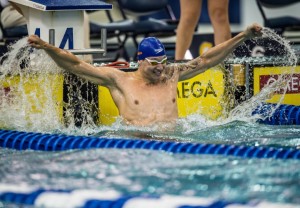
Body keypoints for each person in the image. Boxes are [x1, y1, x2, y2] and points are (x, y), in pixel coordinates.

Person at [28, 23, 262, 126]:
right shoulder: (119, 80)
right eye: (154, 63)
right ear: (140, 61)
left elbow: (207, 59)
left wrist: (243, 36)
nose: (161, 67)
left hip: (175, 142)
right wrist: (47, 47)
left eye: (163, 61)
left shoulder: (172, 75)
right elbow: (77, 65)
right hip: (135, 145)